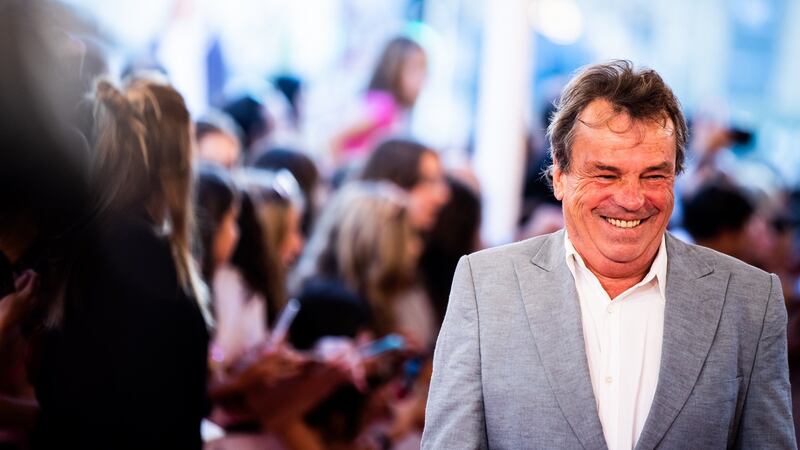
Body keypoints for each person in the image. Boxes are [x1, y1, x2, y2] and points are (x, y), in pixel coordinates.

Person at [422, 60, 795, 449]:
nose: (632, 199)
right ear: (560, 176)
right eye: (606, 174)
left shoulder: (750, 300)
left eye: (654, 175)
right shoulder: (486, 287)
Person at [331, 37, 428, 163]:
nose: (422, 78)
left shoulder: (393, 108)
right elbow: (336, 139)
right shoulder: (384, 106)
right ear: (394, 70)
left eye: (424, 70)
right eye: (414, 69)